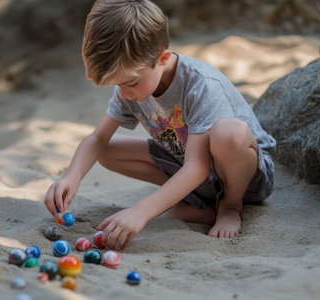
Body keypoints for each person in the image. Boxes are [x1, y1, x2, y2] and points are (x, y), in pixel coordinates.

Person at [43, 0, 276, 250]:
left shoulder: (200, 85)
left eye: (131, 83)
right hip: (193, 171)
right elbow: (97, 139)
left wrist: (140, 212)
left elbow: (197, 167)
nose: (124, 93)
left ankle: (229, 206)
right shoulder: (129, 87)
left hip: (243, 174)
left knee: (229, 134)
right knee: (107, 150)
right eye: (117, 84)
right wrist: (71, 176)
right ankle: (202, 207)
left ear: (162, 58)